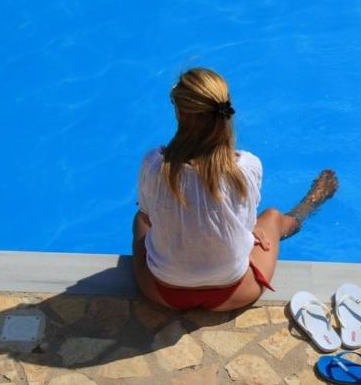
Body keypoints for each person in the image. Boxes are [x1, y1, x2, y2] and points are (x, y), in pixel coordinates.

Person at [132, 67, 338, 311]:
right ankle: (310, 202)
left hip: (162, 292)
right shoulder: (247, 168)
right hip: (235, 293)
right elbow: (241, 220)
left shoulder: (154, 166)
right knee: (272, 217)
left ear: (179, 111)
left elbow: (148, 217)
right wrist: (247, 229)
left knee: (140, 219)